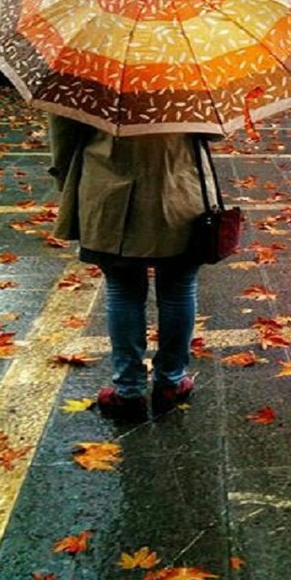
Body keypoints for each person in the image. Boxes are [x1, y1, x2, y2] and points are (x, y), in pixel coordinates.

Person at [48, 114, 217, 420]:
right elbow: (213, 130)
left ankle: (128, 391)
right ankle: (171, 381)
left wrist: (65, 180)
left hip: (109, 186)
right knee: (178, 289)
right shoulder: (192, 67)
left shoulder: (87, 67)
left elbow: (65, 128)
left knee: (123, 290)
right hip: (180, 186)